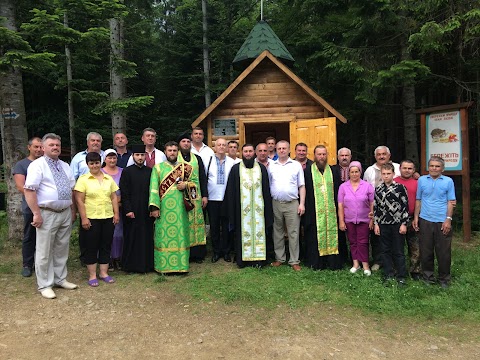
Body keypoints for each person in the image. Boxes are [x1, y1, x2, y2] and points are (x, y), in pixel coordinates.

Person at [24, 133, 78, 299]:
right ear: (44, 148)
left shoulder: (64, 165)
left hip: (64, 213)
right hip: (46, 213)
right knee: (44, 250)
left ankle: (60, 278)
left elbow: (72, 190)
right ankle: (45, 284)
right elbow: (29, 189)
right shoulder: (37, 165)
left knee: (61, 248)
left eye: (57, 145)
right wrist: (36, 214)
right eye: (51, 145)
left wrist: (73, 210)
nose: (55, 147)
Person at [224, 144, 273, 268]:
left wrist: (267, 209)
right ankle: (243, 260)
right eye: (246, 151)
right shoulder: (236, 169)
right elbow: (230, 192)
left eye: (250, 151)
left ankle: (259, 259)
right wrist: (231, 211)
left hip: (259, 211)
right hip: (241, 211)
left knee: (260, 232)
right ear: (242, 153)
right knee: (241, 233)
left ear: (254, 153)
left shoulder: (261, 169)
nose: (248, 154)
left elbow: (266, 191)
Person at [74, 152, 120, 286]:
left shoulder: (108, 178)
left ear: (101, 163)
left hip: (107, 217)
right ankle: (92, 275)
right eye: (91, 163)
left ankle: (104, 273)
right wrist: (83, 218)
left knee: (106, 245)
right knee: (91, 246)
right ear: (87, 165)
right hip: (91, 218)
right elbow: (80, 201)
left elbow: (113, 197)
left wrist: (116, 213)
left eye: (97, 163)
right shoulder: (83, 179)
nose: (95, 165)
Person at [413, 156, 455, 288]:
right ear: (428, 167)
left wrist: (448, 219)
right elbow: (418, 199)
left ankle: (444, 279)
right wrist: (416, 217)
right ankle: (428, 277)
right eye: (431, 166)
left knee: (443, 252)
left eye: (437, 166)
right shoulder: (422, 180)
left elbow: (451, 202)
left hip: (442, 221)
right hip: (425, 220)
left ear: (442, 168)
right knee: (426, 251)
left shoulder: (448, 181)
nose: (434, 168)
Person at [149, 142, 190, 274]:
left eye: (174, 150)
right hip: (164, 209)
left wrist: (186, 185)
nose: (172, 153)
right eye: (169, 150)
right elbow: (154, 189)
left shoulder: (185, 168)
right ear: (165, 152)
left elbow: (195, 185)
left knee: (180, 235)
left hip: (180, 209)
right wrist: (154, 207)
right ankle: (163, 266)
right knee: (164, 236)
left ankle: (181, 266)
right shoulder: (158, 168)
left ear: (178, 152)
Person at [269, 140, 305, 271]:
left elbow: (301, 186)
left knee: (293, 232)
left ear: (289, 150)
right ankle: (280, 258)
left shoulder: (296, 165)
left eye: (284, 148)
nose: (282, 150)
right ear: (276, 150)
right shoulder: (271, 166)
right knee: (277, 231)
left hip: (292, 204)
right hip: (276, 203)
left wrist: (302, 204)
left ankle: (294, 260)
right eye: (279, 148)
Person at [304, 145, 342, 270]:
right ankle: (317, 263)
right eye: (319, 154)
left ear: (327, 155)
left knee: (333, 234)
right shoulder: (308, 171)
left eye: (324, 154)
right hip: (314, 211)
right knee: (314, 236)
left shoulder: (334, 171)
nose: (321, 157)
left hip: (332, 211)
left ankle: (333, 263)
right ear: (314, 155)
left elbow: (338, 192)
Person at [363, 145, 400, 271]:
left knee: (394, 238)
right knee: (376, 236)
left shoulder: (398, 168)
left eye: (384, 154)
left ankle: (394, 262)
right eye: (379, 155)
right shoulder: (369, 170)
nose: (381, 156)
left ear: (389, 155)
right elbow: (365, 188)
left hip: (394, 211)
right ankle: (378, 260)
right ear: (375, 156)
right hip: (376, 208)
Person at [119, 144, 155, 273]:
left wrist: (153, 208)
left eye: (142, 155)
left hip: (146, 210)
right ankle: (130, 266)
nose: (140, 157)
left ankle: (147, 265)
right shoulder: (127, 171)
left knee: (146, 237)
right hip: (132, 211)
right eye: (137, 155)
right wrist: (128, 210)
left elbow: (154, 192)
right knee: (131, 236)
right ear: (133, 156)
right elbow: (124, 192)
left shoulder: (150, 171)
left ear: (145, 156)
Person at [374, 163, 409, 286]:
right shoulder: (378, 189)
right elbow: (376, 208)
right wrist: (376, 224)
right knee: (385, 250)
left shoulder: (400, 188)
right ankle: (388, 274)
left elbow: (405, 207)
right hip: (383, 224)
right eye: (384, 174)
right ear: (381, 174)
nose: (386, 176)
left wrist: (404, 223)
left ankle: (401, 276)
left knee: (398, 251)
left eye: (388, 174)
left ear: (393, 174)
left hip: (397, 223)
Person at [13, 136, 43, 277]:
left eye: (40, 147)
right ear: (29, 147)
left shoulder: (47, 163)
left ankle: (42, 264)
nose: (38, 149)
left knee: (45, 238)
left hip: (47, 208)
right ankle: (27, 264)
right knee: (29, 236)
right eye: (35, 147)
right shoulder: (22, 165)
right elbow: (21, 186)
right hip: (30, 207)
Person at [338, 161, 374, 276]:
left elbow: (372, 203)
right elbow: (340, 205)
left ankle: (365, 265)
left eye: (356, 171)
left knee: (363, 242)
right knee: (352, 242)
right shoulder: (343, 187)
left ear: (360, 172)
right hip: (349, 219)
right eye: (352, 172)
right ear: (349, 173)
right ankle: (355, 264)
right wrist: (341, 221)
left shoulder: (367, 186)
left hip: (364, 219)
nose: (354, 174)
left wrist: (372, 219)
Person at [177, 132, 208, 263]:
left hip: (196, 196)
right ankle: (185, 252)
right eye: (183, 141)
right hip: (181, 196)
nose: (186, 144)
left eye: (188, 142)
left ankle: (198, 254)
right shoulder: (175, 158)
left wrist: (205, 195)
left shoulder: (197, 159)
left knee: (197, 223)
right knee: (184, 223)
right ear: (179, 144)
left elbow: (202, 178)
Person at [206, 138, 235, 262]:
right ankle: (216, 251)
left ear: (227, 148)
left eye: (224, 145)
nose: (222, 147)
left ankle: (226, 251)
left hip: (227, 199)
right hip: (212, 199)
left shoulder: (232, 162)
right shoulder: (208, 160)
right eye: (219, 145)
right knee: (214, 226)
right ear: (215, 147)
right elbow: (204, 179)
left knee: (226, 226)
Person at [394, 160, 421, 280]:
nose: (407, 170)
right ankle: (398, 270)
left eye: (410, 168)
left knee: (415, 247)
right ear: (399, 169)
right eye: (404, 168)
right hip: (396, 220)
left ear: (414, 170)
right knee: (397, 247)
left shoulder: (418, 183)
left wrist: (416, 217)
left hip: (413, 219)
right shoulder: (394, 182)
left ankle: (415, 271)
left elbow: (419, 201)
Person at [330, 147, 353, 266]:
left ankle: (355, 258)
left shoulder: (357, 169)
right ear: (338, 157)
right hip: (337, 204)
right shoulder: (331, 169)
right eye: (342, 155)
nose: (344, 158)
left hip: (354, 205)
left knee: (354, 232)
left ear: (350, 157)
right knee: (340, 231)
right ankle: (341, 257)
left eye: (346, 155)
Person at [101, 149, 124, 270]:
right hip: (103, 208)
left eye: (114, 157)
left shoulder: (122, 171)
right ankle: (107, 258)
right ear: (104, 159)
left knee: (119, 234)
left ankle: (118, 258)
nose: (112, 160)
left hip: (119, 207)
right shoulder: (100, 172)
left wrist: (119, 201)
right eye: (109, 158)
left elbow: (125, 188)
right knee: (106, 234)